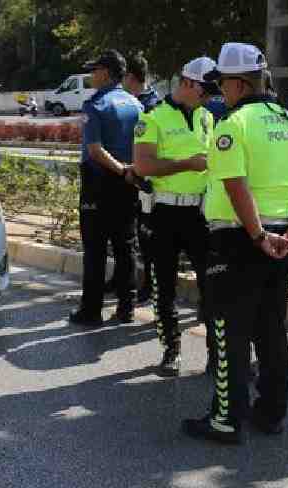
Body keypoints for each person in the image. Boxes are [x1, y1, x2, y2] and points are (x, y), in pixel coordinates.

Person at [183, 43, 288, 444]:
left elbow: (235, 185)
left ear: (239, 84)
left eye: (222, 84)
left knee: (229, 331)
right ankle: (271, 413)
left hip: (239, 238)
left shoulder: (233, 124)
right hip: (282, 239)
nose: (219, 92)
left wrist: (258, 234)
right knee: (271, 329)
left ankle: (226, 420)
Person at [130, 56, 218, 376]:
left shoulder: (208, 117)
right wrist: (187, 164)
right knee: (164, 286)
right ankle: (171, 351)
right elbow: (142, 165)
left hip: (200, 213)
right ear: (187, 83)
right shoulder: (152, 117)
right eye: (206, 90)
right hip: (164, 213)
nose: (209, 97)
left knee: (212, 285)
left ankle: (217, 354)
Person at [68, 50, 143, 326]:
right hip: (129, 182)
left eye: (94, 70)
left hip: (99, 182)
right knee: (125, 247)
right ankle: (127, 308)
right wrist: (128, 172)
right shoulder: (136, 105)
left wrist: (120, 170)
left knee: (95, 249)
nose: (91, 75)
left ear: (106, 73)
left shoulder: (96, 105)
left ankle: (91, 310)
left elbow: (95, 151)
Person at [123, 51, 160, 306]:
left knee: (148, 237)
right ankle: (124, 280)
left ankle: (148, 285)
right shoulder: (132, 101)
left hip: (148, 182)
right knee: (131, 234)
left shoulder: (152, 105)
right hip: (132, 177)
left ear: (129, 77)